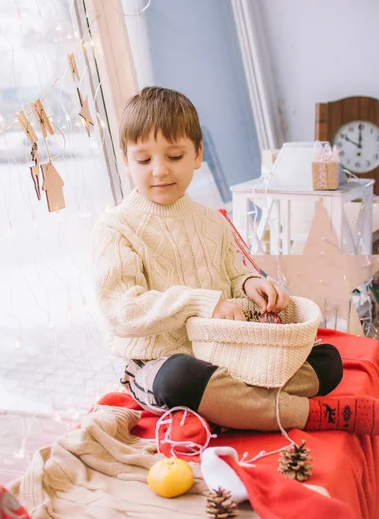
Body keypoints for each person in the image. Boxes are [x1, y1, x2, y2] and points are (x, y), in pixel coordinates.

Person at [93, 86, 379, 436]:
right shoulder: (116, 228)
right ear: (125, 161)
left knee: (328, 361)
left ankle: (240, 405)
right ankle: (305, 413)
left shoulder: (211, 221)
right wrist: (200, 303)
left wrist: (250, 284)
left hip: (228, 355)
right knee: (180, 378)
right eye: (143, 160)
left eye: (174, 156)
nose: (159, 171)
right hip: (159, 363)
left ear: (198, 155)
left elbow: (232, 278)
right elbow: (122, 311)